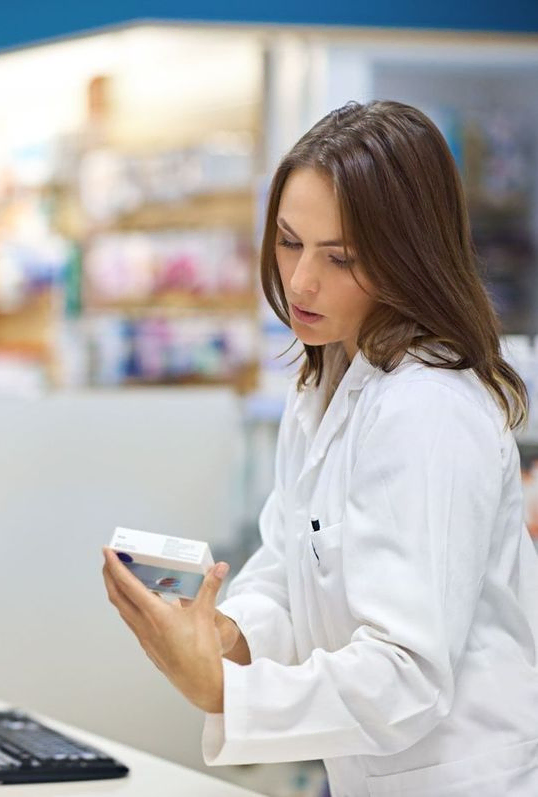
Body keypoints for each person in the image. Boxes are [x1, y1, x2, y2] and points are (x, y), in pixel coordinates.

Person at [103, 100, 538, 796]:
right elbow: (286, 569)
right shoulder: (327, 377)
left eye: (339, 257)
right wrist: (224, 634)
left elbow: (407, 672)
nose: (300, 280)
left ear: (407, 258)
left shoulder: (426, 408)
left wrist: (223, 689)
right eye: (287, 240)